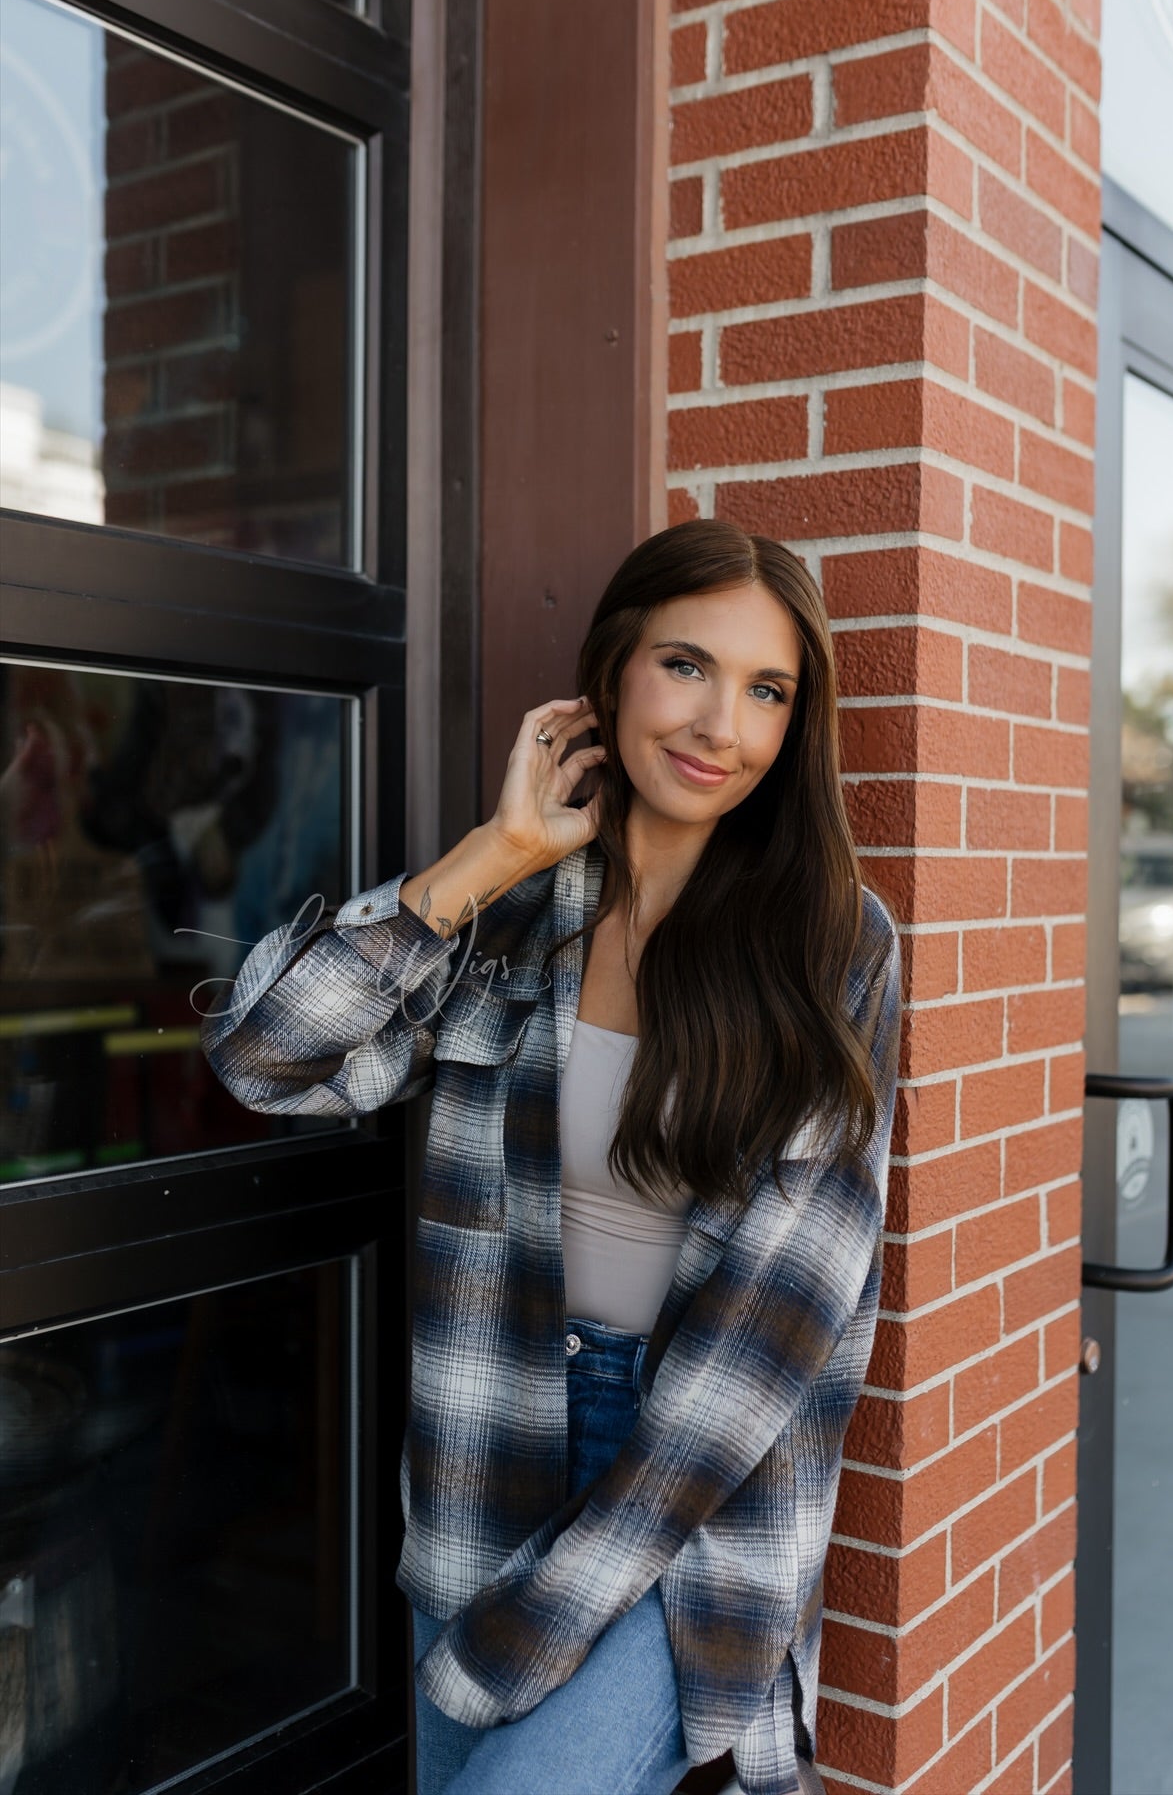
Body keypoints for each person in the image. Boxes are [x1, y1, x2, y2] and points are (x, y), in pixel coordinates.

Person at [201, 520, 902, 1795]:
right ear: (615, 669)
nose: (721, 728)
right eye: (686, 666)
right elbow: (266, 1060)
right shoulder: (513, 909)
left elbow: (783, 1315)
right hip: (485, 1448)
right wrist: (489, 858)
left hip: (694, 1491)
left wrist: (536, 1629)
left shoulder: (832, 941)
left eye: (766, 690)